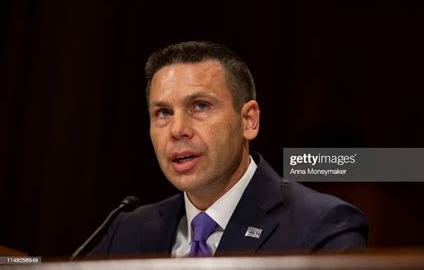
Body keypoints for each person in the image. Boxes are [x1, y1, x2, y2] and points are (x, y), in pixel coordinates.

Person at [89, 41, 368, 258]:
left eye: (200, 106)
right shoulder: (127, 230)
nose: (177, 129)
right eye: (163, 112)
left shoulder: (321, 225)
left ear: (248, 120)